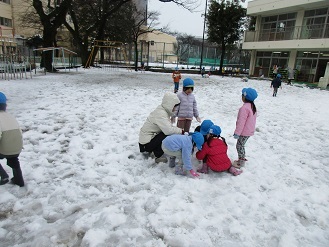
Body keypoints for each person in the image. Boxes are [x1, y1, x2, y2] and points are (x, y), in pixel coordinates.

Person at [139, 92, 184, 163]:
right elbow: (168, 130)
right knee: (166, 135)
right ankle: (157, 155)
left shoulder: (162, 110)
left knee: (167, 133)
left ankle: (155, 150)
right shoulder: (161, 114)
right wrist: (181, 131)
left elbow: (167, 127)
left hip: (147, 140)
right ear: (170, 104)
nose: (175, 108)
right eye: (174, 106)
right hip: (145, 144)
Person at [0, 92, 24, 187]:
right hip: (17, 148)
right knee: (14, 160)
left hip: (5, 150)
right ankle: (19, 180)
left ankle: (4, 176)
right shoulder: (10, 116)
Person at [232, 88, 258, 169]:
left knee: (239, 146)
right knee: (241, 145)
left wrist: (237, 133)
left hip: (244, 132)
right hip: (249, 131)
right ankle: (242, 158)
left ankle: (241, 161)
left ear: (244, 97)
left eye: (242, 95)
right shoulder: (252, 106)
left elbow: (241, 122)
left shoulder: (244, 108)